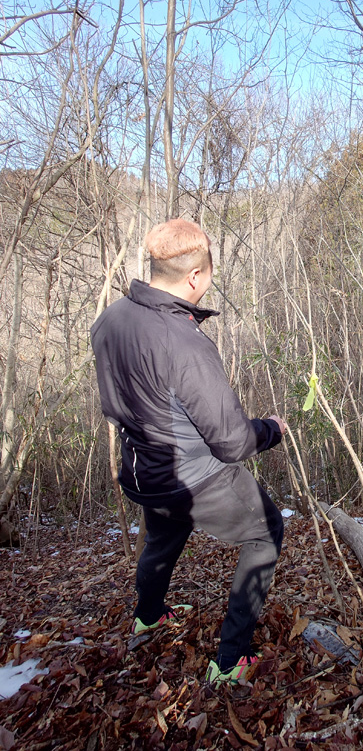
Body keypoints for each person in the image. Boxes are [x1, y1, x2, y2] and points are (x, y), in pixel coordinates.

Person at [91, 218, 287, 687]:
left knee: (163, 536)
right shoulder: (184, 343)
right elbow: (231, 442)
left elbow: (115, 404)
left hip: (142, 472)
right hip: (193, 479)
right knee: (266, 532)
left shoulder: (109, 320)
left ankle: (148, 617)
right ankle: (231, 660)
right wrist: (271, 430)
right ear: (196, 276)